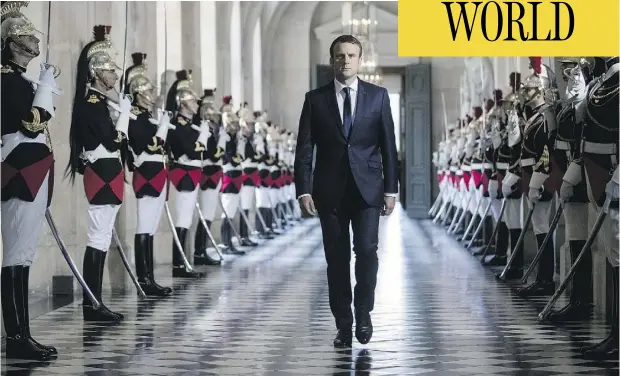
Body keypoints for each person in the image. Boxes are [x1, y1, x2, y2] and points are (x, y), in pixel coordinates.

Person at [294, 34, 398, 347]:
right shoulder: (315, 99)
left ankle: (364, 310)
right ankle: (343, 323)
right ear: (332, 60)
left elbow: (388, 147)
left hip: (368, 190)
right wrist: (303, 190)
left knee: (367, 251)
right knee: (336, 259)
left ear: (359, 60)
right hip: (329, 191)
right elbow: (304, 149)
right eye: (340, 56)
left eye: (351, 55)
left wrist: (391, 189)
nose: (346, 61)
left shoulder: (378, 96)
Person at [1, 1, 59, 360]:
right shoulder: (7, 81)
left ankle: (22, 333)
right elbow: (31, 123)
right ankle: (17, 337)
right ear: (11, 41)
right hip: (20, 173)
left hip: (32, 172)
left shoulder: (21, 79)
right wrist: (46, 89)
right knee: (16, 256)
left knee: (23, 257)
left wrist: (41, 85)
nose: (33, 39)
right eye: (25, 34)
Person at [66, 25, 131, 322]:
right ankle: (92, 304)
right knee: (97, 237)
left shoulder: (102, 103)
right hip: (102, 173)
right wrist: (125, 119)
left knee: (102, 238)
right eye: (109, 71)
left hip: (109, 173)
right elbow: (111, 140)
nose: (115, 76)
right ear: (95, 72)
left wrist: (118, 113)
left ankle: (96, 302)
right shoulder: (92, 103)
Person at [124, 52, 172, 296]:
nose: (153, 97)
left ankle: (150, 277)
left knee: (151, 227)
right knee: (144, 226)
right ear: (140, 94)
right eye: (150, 92)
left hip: (158, 174)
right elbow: (150, 145)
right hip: (146, 174)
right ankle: (143, 279)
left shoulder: (148, 119)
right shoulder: (135, 119)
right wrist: (162, 128)